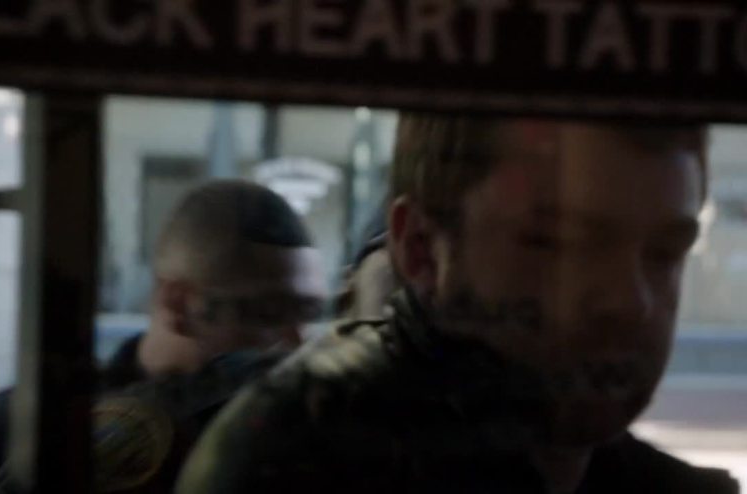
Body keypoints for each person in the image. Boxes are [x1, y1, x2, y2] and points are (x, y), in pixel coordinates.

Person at [177, 116, 739, 494]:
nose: (631, 302)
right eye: (562, 244)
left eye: (665, 253)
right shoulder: (294, 460)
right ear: (422, 249)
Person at [0, 179, 328, 490]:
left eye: (310, 312)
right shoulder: (19, 426)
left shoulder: (299, 437)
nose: (297, 341)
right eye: (270, 312)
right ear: (179, 304)